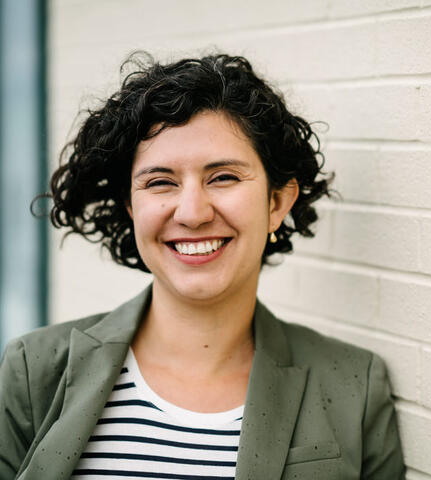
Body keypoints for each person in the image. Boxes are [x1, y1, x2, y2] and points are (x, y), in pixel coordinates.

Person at [0, 52, 405, 479]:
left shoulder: (352, 386)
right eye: (160, 182)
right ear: (131, 207)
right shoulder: (34, 370)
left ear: (276, 202)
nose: (192, 213)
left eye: (223, 177)